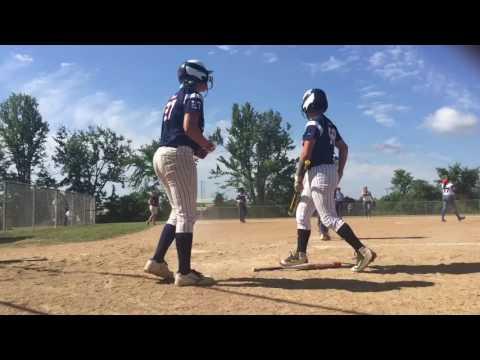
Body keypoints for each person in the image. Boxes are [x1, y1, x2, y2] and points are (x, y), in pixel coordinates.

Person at [280, 88, 376, 272]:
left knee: (328, 217)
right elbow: (344, 148)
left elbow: (306, 152)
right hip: (324, 171)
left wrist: (297, 176)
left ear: (308, 103)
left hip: (318, 172)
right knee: (302, 213)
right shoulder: (329, 124)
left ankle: (363, 251)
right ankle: (301, 255)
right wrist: (339, 172)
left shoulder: (312, 124)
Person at [143, 59, 216, 287]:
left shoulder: (175, 96)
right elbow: (188, 128)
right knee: (187, 214)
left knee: (177, 211)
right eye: (205, 76)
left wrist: (196, 147)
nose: (207, 81)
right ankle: (184, 272)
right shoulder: (193, 95)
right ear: (197, 76)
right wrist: (206, 144)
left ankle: (157, 261)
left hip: (162, 154)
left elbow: (177, 131)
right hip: (177, 155)